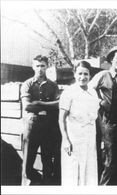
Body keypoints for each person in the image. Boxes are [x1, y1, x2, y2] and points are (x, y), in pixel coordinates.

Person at [88, 45, 117, 185]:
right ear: (112, 60)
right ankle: (103, 187)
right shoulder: (103, 75)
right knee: (109, 157)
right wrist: (101, 101)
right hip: (108, 122)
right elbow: (87, 91)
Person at [58, 61, 100, 186]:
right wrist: (65, 139)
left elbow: (95, 117)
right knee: (73, 171)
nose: (83, 77)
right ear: (74, 74)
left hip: (90, 136)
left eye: (86, 74)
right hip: (74, 137)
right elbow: (61, 119)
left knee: (89, 169)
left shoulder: (93, 92)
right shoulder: (68, 92)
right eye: (80, 73)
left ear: (90, 75)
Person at [21, 55, 60, 185]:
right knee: (28, 160)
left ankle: (47, 185)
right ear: (33, 67)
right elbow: (27, 105)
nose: (40, 69)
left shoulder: (53, 85)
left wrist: (38, 103)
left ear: (47, 67)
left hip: (49, 127)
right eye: (37, 66)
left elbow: (58, 104)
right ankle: (32, 183)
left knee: (47, 159)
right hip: (32, 126)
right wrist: (48, 106)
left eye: (42, 65)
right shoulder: (27, 84)